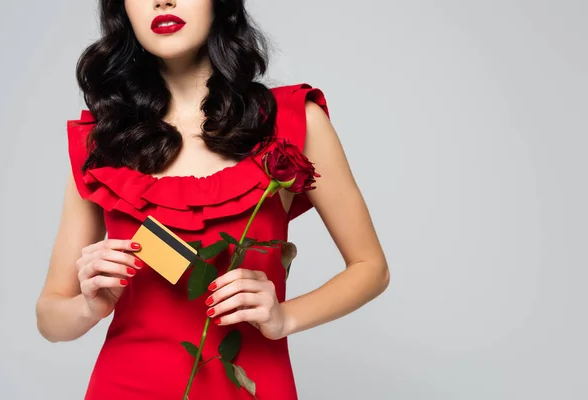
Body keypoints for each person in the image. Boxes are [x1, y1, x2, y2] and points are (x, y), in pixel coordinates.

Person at [35, 0, 390, 399]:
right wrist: (89, 307)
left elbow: (371, 268)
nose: (162, 1)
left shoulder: (293, 121)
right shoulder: (104, 141)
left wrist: (285, 318)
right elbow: (50, 317)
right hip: (125, 384)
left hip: (254, 387)